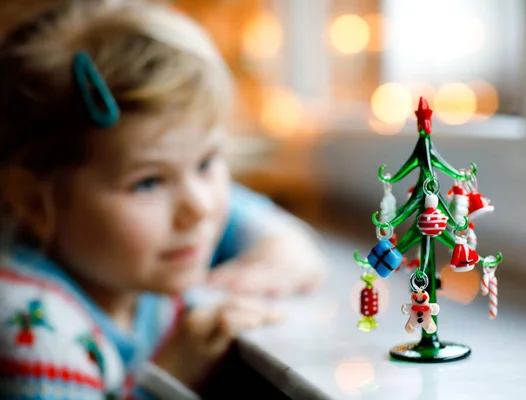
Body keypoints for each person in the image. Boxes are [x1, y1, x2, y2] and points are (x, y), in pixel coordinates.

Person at [0, 1, 325, 398]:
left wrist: (283, 248)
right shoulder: (34, 334)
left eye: (206, 162)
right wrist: (167, 376)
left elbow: (247, 215)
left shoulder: (129, 250)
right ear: (35, 203)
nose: (201, 208)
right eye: (149, 183)